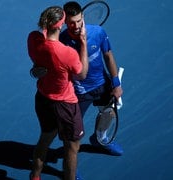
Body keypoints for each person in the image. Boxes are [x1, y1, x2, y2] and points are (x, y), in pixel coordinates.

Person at [31, 1, 124, 156]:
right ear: (64, 23)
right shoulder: (60, 42)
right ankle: (71, 167)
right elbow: (48, 66)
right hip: (78, 93)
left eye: (79, 21)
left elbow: (108, 56)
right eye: (72, 23)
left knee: (110, 112)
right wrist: (39, 71)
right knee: (72, 135)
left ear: (83, 18)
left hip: (102, 84)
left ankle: (100, 138)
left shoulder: (98, 32)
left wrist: (116, 83)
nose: (77, 26)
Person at [27, 5, 88, 180]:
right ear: (61, 25)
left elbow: (39, 61)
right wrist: (83, 42)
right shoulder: (67, 53)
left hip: (43, 99)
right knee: (72, 148)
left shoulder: (33, 39)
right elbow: (81, 74)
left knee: (45, 139)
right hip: (65, 105)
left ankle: (35, 176)